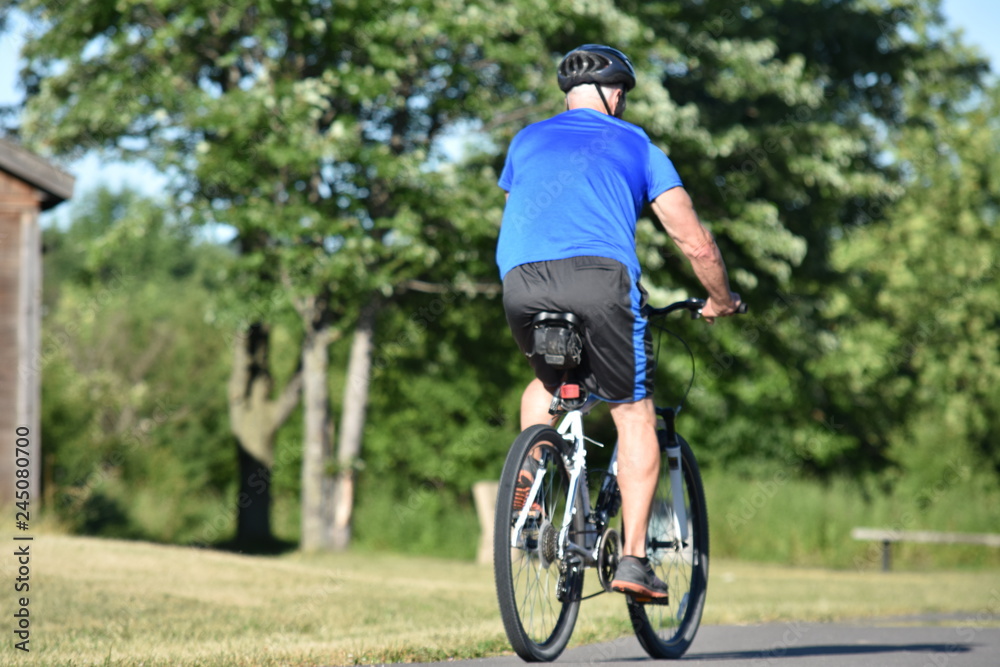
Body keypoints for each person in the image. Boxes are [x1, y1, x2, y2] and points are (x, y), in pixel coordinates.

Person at [496, 44, 742, 600]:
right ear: (615, 94)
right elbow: (693, 241)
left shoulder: (526, 139)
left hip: (521, 281)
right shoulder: (637, 143)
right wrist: (720, 299)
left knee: (548, 385)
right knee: (633, 411)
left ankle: (530, 493)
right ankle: (633, 560)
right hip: (600, 279)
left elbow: (525, 206)